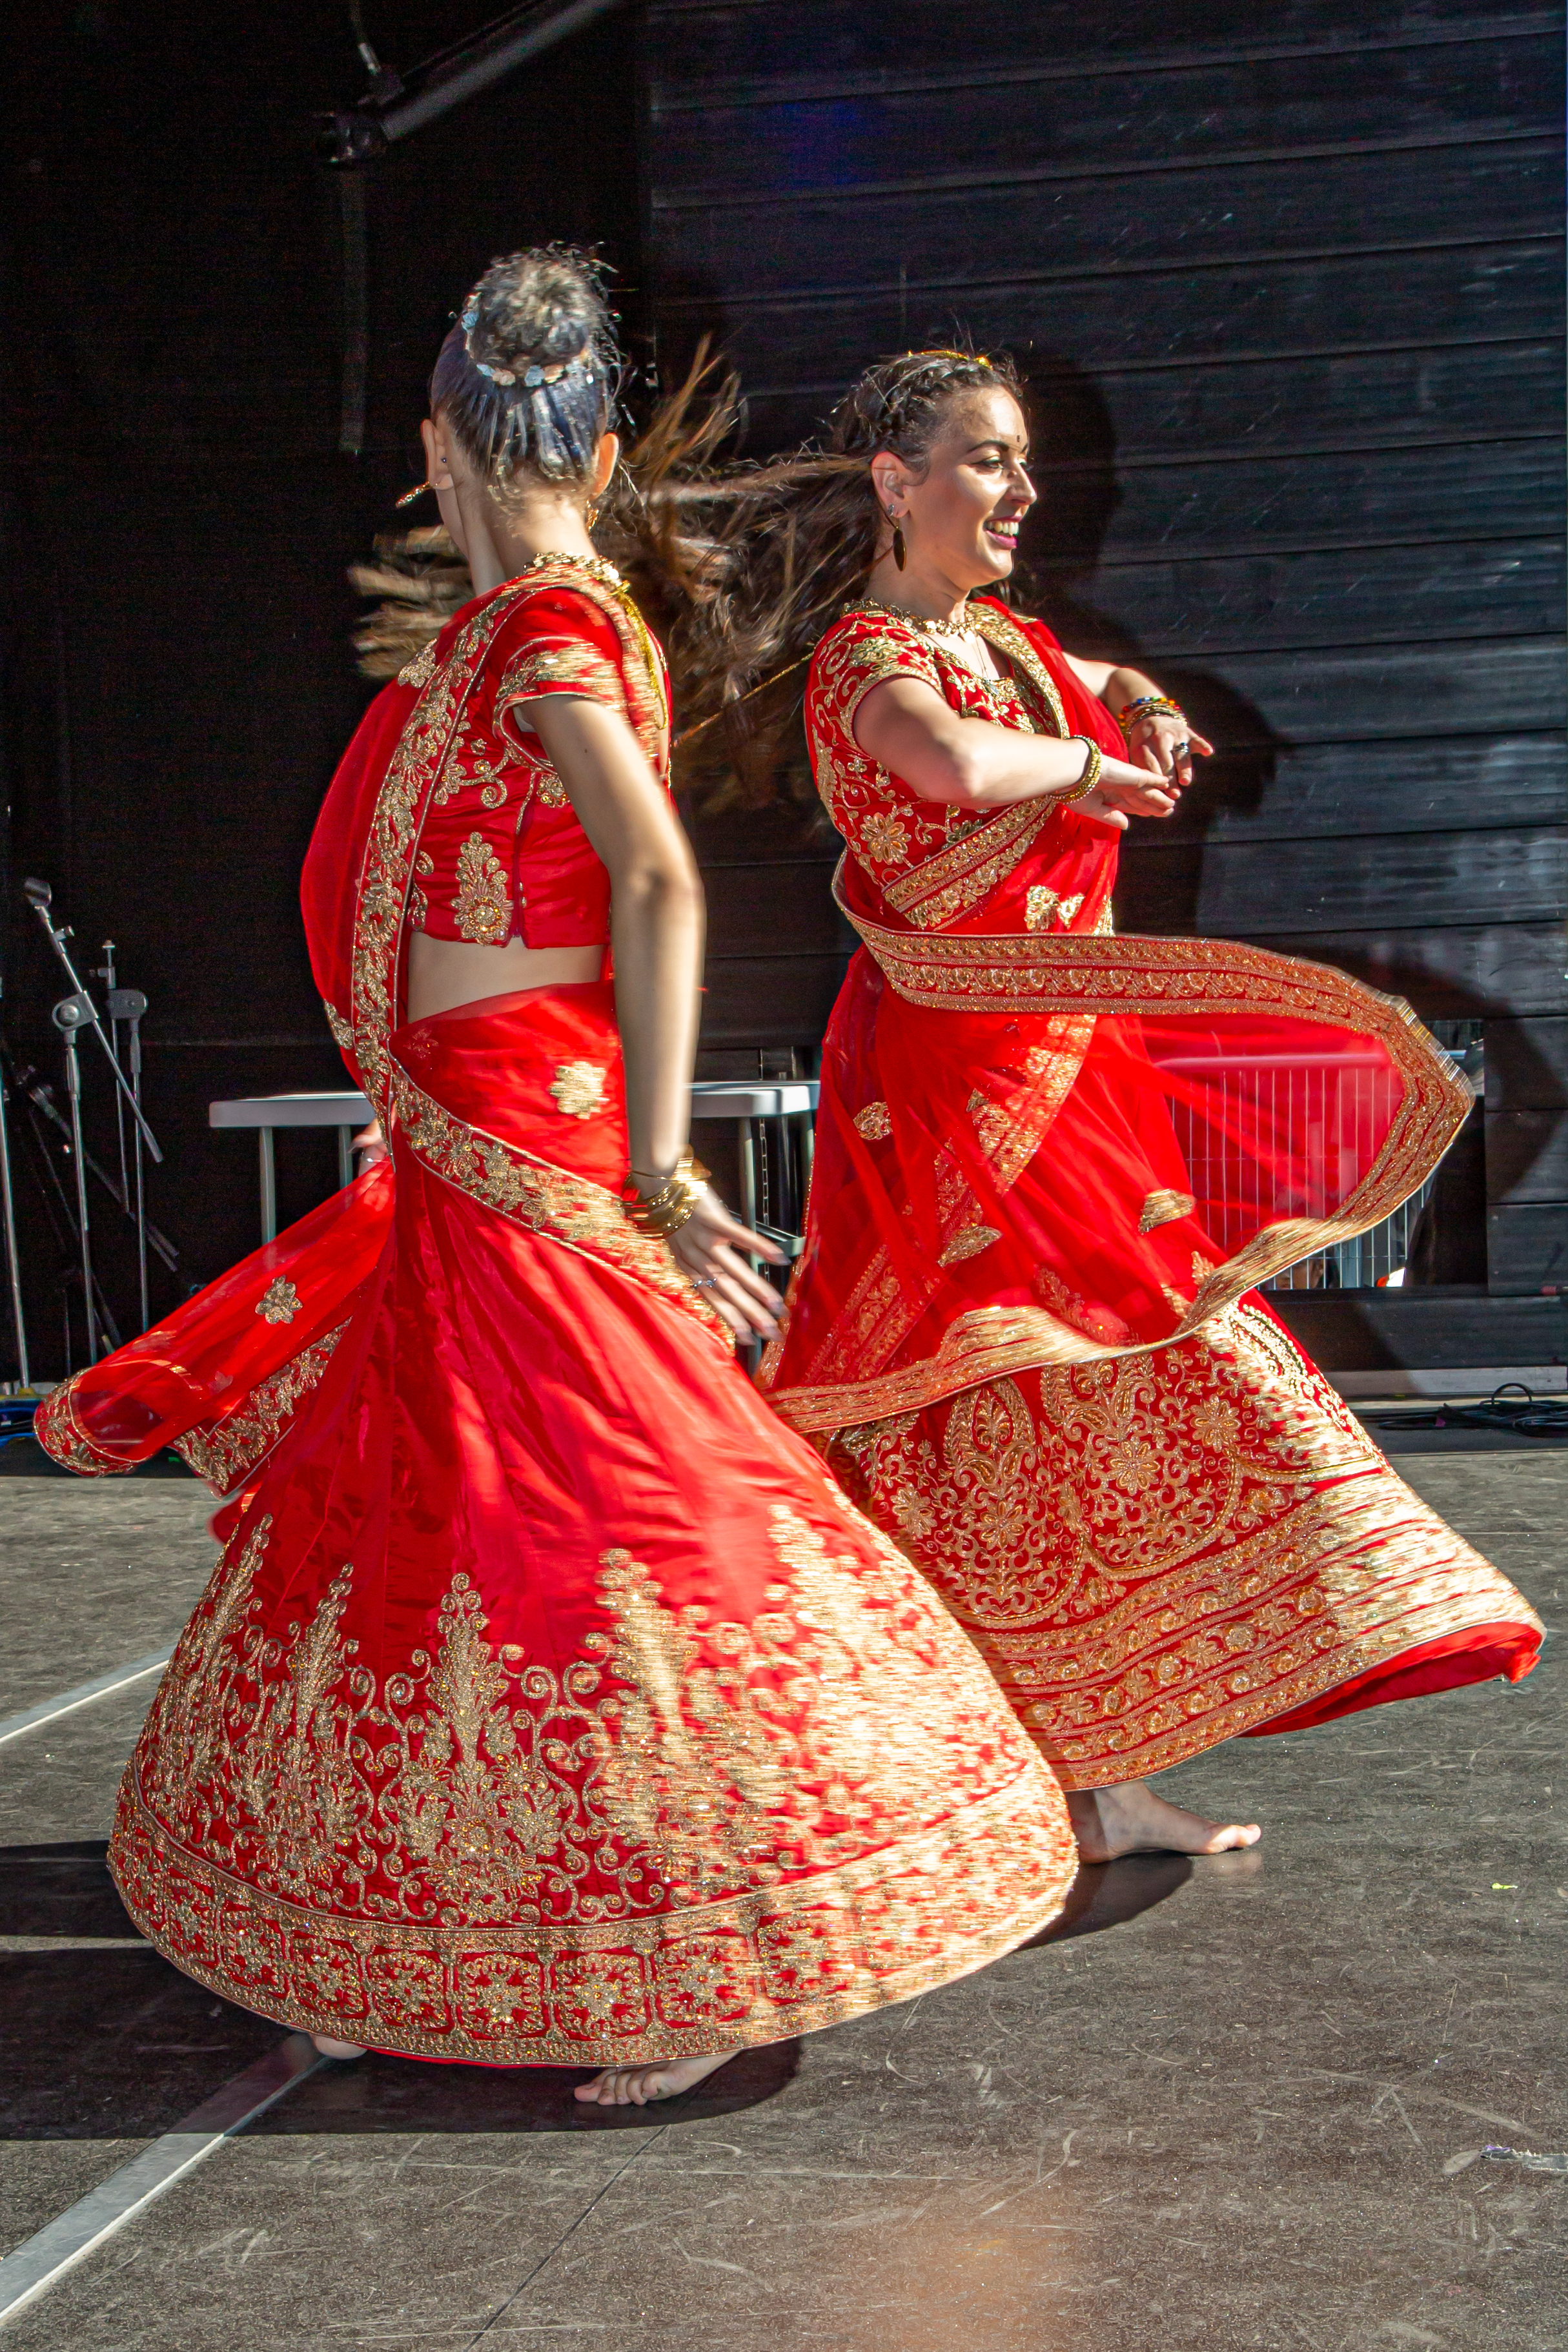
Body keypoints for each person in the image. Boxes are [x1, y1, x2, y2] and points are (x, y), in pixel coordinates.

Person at [36, 267, 1079, 2103]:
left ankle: (710, 1955)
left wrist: (665, 1170)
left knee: (605, 1509)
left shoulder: (548, 639)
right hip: (461, 1136)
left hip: (540, 1146)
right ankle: (380, 1912)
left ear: (436, 445)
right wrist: (407, 1080)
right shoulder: (499, 640)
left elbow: (656, 883)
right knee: (428, 1519)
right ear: (593, 452)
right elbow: (460, 909)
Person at [684, 347, 1542, 1861]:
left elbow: (1088, 689)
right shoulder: (863, 661)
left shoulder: (1008, 638)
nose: (1023, 490)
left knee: (1100, 1389)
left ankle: (1108, 1777)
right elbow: (948, 764)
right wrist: (1086, 760)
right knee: (992, 1401)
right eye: (988, 459)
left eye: (1023, 461)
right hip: (952, 1089)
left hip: (1063, 1069)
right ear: (898, 483)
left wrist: (1135, 705)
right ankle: (887, 1765)